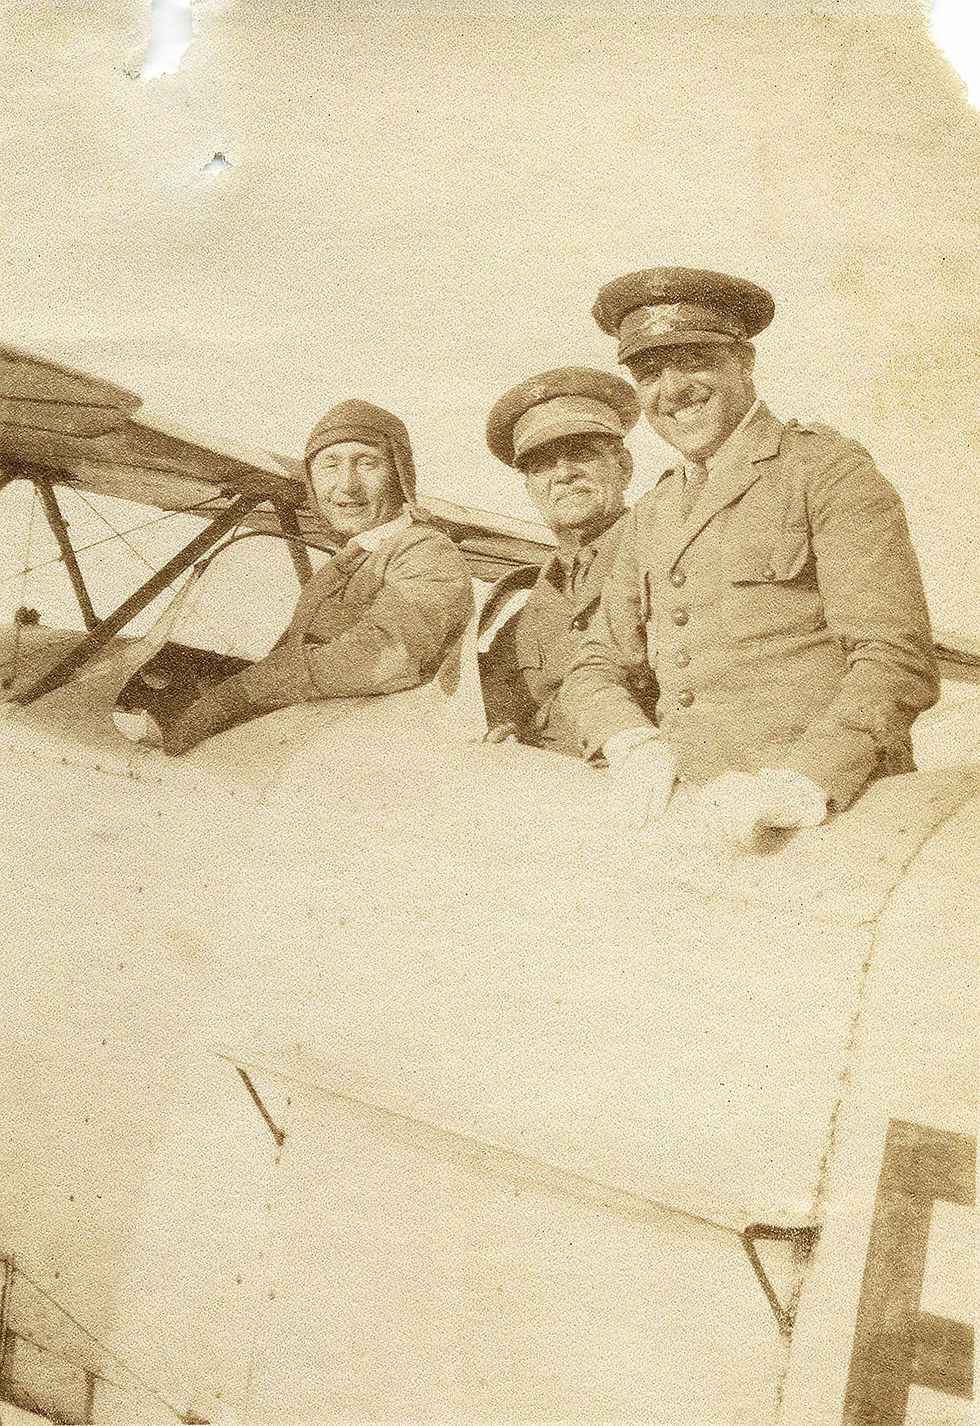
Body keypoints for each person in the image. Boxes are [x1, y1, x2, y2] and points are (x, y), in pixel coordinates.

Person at [559, 266, 940, 845]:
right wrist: (632, 743)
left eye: (693, 362)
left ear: (744, 362)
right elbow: (595, 662)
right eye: (650, 372)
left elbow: (894, 656)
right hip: (691, 815)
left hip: (832, 814)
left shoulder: (826, 472)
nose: (671, 390)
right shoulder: (653, 511)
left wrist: (802, 780)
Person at [158, 399, 474, 755]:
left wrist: (236, 696)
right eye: (329, 465)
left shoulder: (426, 551)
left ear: (399, 476)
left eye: (367, 463)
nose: (347, 486)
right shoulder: (356, 556)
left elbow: (386, 653)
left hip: (380, 754)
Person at [479, 367, 655, 756]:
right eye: (541, 464)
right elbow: (498, 688)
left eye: (581, 454)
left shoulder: (660, 554)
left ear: (623, 467)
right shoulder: (531, 600)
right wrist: (506, 723)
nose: (563, 474)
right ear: (530, 488)